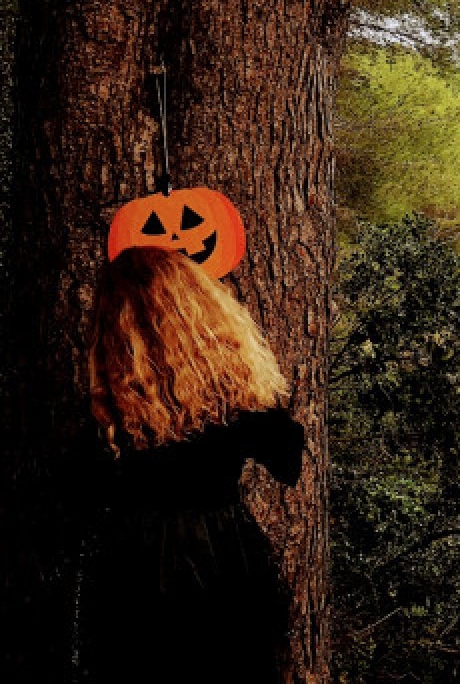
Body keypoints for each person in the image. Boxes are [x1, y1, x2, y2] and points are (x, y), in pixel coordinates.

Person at [79, 246, 303, 683]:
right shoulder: (229, 403)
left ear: (111, 328)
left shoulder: (108, 414)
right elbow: (287, 463)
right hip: (221, 555)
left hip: (132, 565)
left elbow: (85, 490)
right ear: (197, 310)